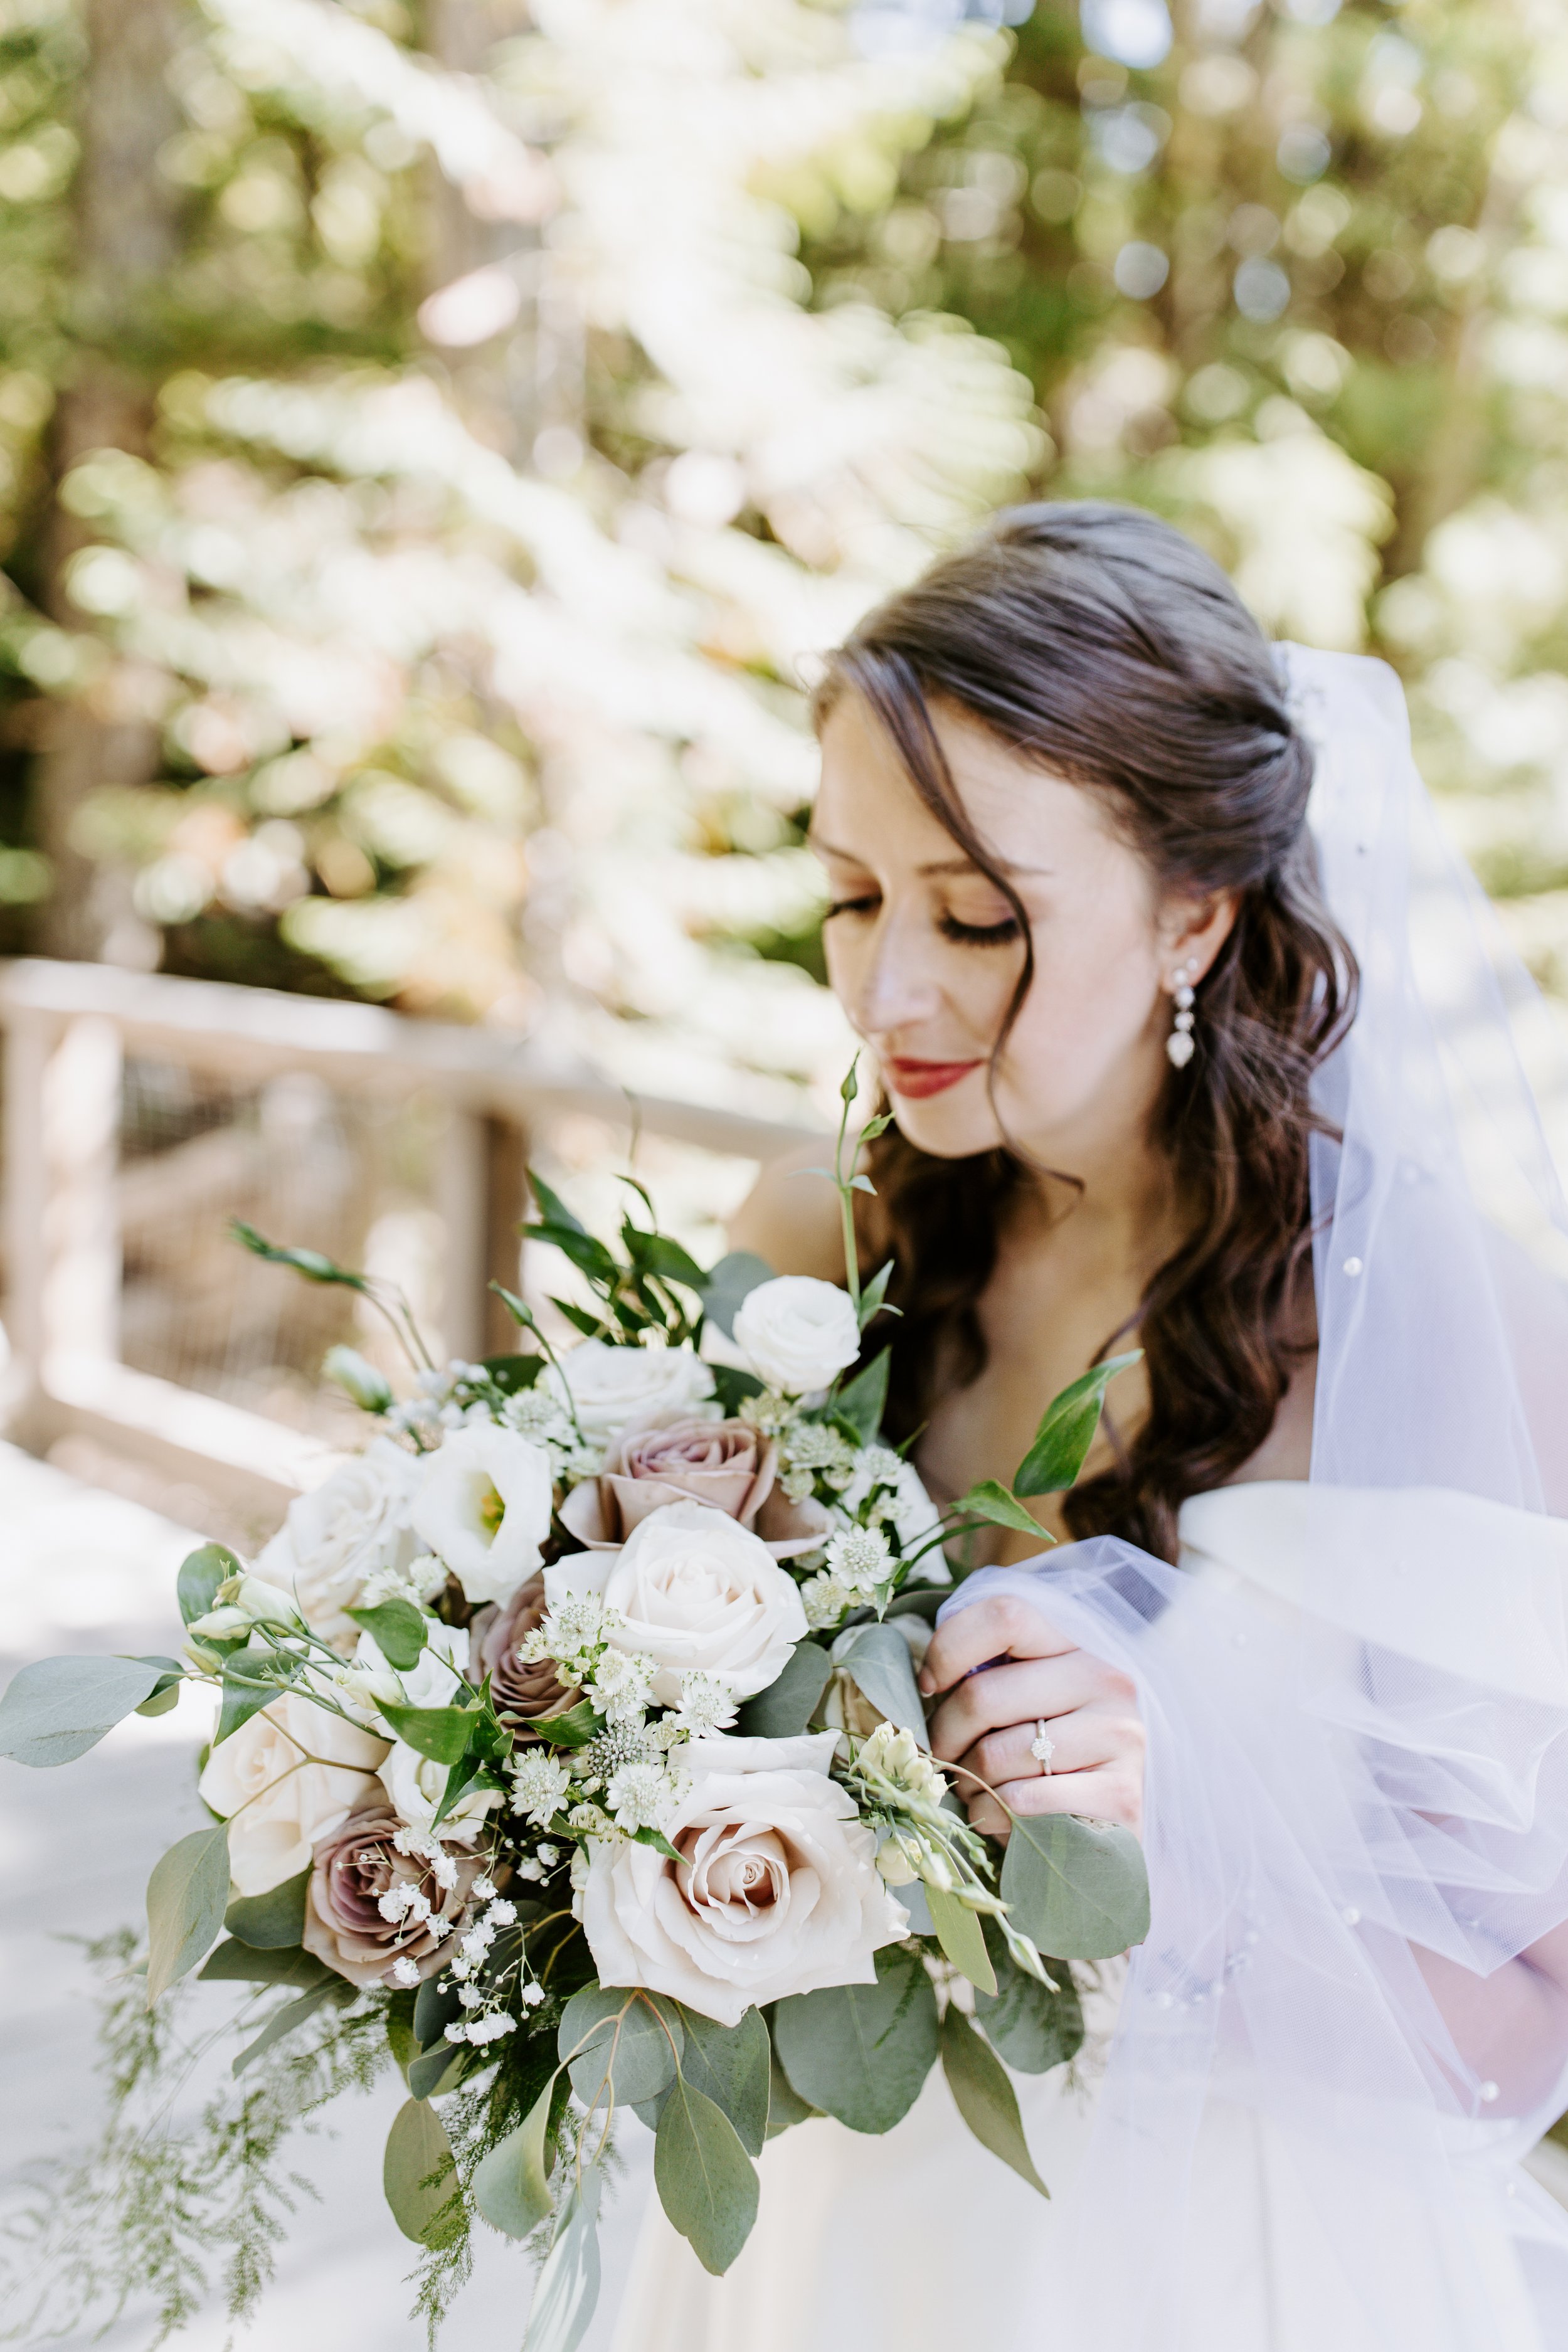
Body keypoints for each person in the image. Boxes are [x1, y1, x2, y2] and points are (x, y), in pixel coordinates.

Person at [610, 502, 1568, 2351]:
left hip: (1231, 2263)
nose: (892, 993)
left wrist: (1190, 1845)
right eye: (852, 895)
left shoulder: (1441, 1324)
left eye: (975, 916)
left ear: (1193, 911)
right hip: (828, 2227)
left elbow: (1542, 2015)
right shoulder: (821, 1245)